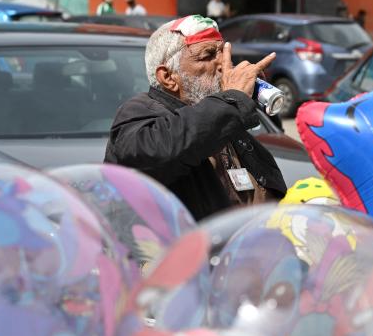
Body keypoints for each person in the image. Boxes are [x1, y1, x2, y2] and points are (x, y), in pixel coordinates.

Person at [104, 15, 287, 220]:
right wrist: (233, 100)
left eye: (222, 53)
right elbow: (152, 153)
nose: (223, 64)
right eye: (208, 55)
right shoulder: (139, 113)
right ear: (168, 77)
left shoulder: (222, 116)